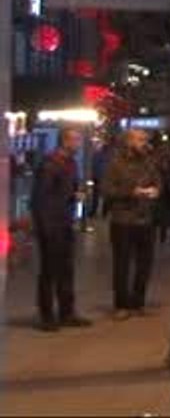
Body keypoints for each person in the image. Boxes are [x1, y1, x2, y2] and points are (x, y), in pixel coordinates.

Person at [30, 129, 93, 331]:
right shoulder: (50, 164)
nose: (78, 144)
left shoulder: (70, 164)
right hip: (51, 224)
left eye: (78, 140)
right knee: (49, 270)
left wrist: (76, 195)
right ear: (64, 141)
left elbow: (67, 191)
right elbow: (41, 198)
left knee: (66, 269)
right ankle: (46, 315)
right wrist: (45, 226)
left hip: (64, 222)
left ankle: (66, 312)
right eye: (75, 140)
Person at [104, 130, 162, 319]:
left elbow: (158, 182)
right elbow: (107, 189)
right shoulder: (116, 163)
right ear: (128, 142)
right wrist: (131, 192)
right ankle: (121, 304)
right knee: (122, 263)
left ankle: (138, 302)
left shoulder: (149, 162)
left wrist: (155, 191)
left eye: (145, 139)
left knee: (144, 263)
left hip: (145, 219)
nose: (144, 143)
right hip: (123, 220)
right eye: (139, 139)